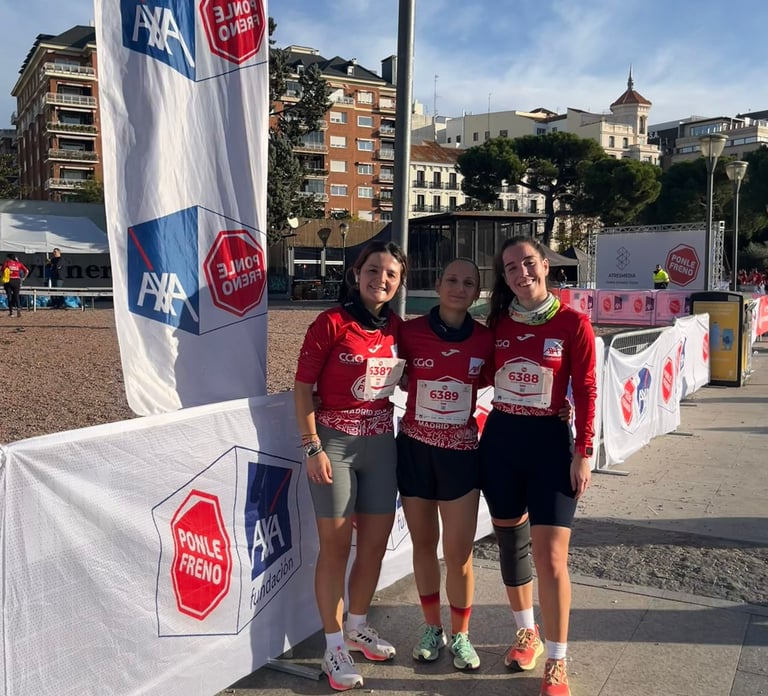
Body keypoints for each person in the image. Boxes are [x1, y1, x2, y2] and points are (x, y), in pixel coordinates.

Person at [479, 236, 597, 696]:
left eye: (528, 263)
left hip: (550, 444)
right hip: (502, 441)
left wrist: (583, 451)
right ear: (504, 278)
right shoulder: (497, 324)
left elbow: (586, 391)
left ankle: (557, 658)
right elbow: (479, 371)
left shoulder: (574, 323)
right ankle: (525, 632)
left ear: (545, 266)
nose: (520, 272)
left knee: (551, 559)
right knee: (511, 544)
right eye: (510, 268)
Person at [294, 240, 408, 692]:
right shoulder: (330, 323)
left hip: (381, 443)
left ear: (399, 284)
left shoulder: (399, 328)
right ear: (356, 273)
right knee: (336, 549)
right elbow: (303, 388)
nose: (381, 279)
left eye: (391, 275)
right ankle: (334, 642)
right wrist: (312, 447)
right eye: (373, 270)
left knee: (375, 546)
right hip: (335, 446)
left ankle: (358, 625)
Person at [396, 258, 493, 672]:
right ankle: (431, 628)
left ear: (477, 292)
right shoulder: (410, 332)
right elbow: (381, 367)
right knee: (422, 545)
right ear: (437, 285)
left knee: (459, 553)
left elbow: (508, 380)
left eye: (468, 282)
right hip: (415, 450)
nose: (459, 287)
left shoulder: (486, 339)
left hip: (460, 454)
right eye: (451, 279)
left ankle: (462, 636)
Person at [2, 253, 30, 318]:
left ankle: (11, 311)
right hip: (17, 280)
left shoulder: (7, 263)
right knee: (16, 295)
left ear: (8, 258)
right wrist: (23, 278)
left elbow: (2, 271)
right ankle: (18, 308)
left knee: (9, 295)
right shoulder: (19, 264)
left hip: (8, 280)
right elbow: (27, 271)